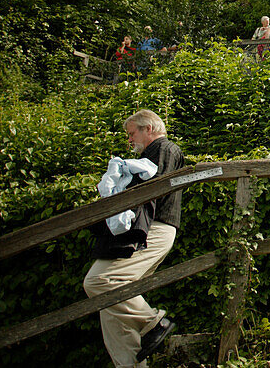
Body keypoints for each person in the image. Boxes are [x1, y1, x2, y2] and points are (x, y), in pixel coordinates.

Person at [84, 110, 184, 368]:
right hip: (146, 229)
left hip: (155, 229)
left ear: (148, 128)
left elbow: (154, 189)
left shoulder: (165, 148)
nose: (129, 140)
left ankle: (152, 322)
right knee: (110, 308)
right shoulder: (152, 154)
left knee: (99, 281)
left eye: (132, 133)